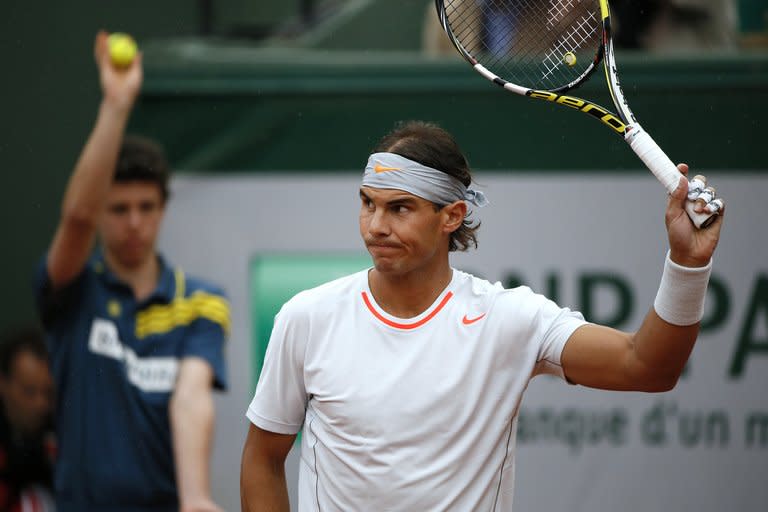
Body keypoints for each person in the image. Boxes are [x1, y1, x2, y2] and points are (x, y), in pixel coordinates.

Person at [240, 120, 725, 511]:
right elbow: (263, 459)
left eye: (400, 208)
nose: (376, 227)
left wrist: (688, 262)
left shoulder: (509, 320)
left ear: (450, 216)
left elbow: (649, 368)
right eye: (368, 204)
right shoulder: (306, 318)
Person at [34, 31, 229, 512]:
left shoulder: (201, 300)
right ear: (101, 214)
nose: (135, 223)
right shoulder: (74, 288)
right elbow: (77, 218)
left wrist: (197, 498)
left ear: (164, 209)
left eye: (147, 206)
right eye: (118, 209)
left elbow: (190, 397)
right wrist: (116, 106)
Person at [0, 325, 55, 511]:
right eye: (29, 391)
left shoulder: (61, 442)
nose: (41, 404)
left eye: (48, 393)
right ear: (3, 384)